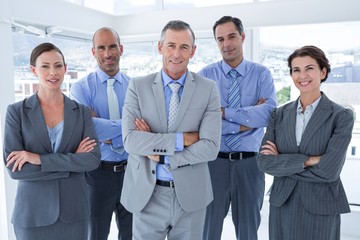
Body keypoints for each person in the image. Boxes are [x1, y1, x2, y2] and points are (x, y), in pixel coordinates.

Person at [120, 20, 222, 240]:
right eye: (171, 45)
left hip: (191, 197)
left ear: (193, 51)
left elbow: (211, 147)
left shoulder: (208, 89)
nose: (177, 53)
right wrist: (181, 140)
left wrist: (162, 156)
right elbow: (130, 140)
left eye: (184, 47)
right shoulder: (138, 86)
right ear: (160, 47)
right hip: (147, 195)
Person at [3, 42, 101, 240]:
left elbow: (92, 160)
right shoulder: (16, 112)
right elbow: (16, 170)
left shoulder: (80, 112)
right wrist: (73, 162)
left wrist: (39, 159)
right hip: (32, 215)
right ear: (33, 70)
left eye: (58, 65)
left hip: (74, 213)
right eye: (45, 66)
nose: (52, 72)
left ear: (65, 69)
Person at [257, 45, 354, 240]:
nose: (303, 75)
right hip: (283, 202)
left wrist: (283, 161)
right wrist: (309, 160)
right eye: (296, 70)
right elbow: (265, 162)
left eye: (309, 68)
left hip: (321, 205)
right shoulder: (279, 114)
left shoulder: (341, 116)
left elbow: (329, 171)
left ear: (323, 72)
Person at [198, 16, 277, 240]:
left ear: (242, 37)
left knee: (248, 231)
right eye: (220, 39)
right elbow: (202, 122)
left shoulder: (262, 74)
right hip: (214, 164)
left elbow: (269, 114)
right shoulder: (205, 76)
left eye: (231, 36)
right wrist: (247, 121)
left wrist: (222, 112)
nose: (226, 44)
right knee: (208, 230)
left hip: (251, 165)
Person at [69, 27, 132, 240]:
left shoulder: (136, 87)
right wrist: (129, 127)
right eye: (101, 48)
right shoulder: (80, 89)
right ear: (93, 52)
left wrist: (102, 126)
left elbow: (149, 128)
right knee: (95, 235)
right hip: (97, 175)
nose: (108, 54)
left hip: (133, 173)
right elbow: (87, 129)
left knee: (132, 235)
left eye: (112, 46)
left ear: (121, 49)